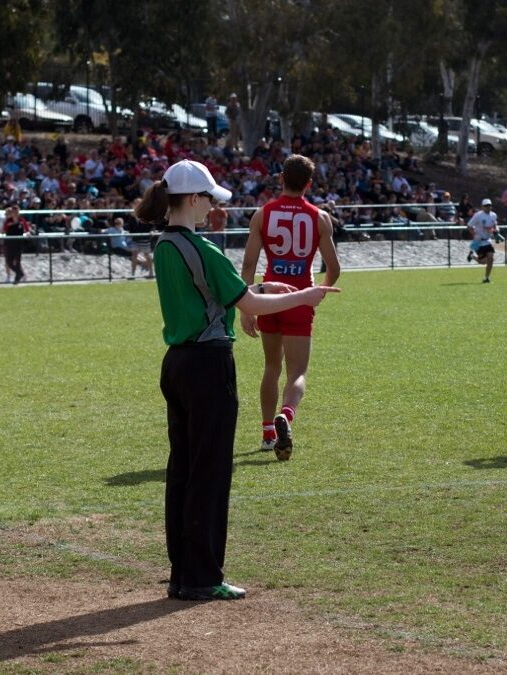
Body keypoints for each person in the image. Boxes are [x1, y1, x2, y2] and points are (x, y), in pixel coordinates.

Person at [134, 158, 339, 602]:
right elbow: (245, 305)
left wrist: (266, 288)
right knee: (210, 473)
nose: (213, 207)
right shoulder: (201, 248)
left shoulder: (165, 244)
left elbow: (223, 295)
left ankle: (183, 572)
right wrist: (308, 293)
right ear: (192, 199)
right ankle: (204, 576)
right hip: (209, 366)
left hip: (178, 363)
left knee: (184, 470)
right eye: (209, 199)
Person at [240, 154, 340, 460]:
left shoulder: (262, 214)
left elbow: (248, 264)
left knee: (271, 366)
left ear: (281, 179)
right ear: (309, 184)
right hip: (299, 297)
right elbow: (333, 267)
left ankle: (269, 431)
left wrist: (246, 308)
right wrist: (317, 293)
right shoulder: (319, 217)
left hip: (269, 297)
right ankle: (287, 413)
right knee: (297, 371)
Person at [467, 198, 500, 283]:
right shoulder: (478, 215)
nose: (488, 207)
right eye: (486, 206)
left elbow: (495, 225)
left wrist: (496, 230)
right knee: (482, 262)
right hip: (478, 241)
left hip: (487, 240)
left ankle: (486, 277)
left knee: (491, 258)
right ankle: (472, 256)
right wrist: (475, 235)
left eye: (489, 205)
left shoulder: (493, 215)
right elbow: (469, 226)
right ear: (482, 206)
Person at [1, 204, 31, 284]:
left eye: (17, 212)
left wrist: (28, 233)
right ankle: (20, 273)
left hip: (19, 243)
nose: (15, 213)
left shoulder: (22, 220)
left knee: (17, 261)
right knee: (9, 262)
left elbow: (27, 229)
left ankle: (17, 279)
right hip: (9, 243)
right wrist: (9, 224)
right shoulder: (8, 221)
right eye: (14, 212)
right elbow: (3, 230)